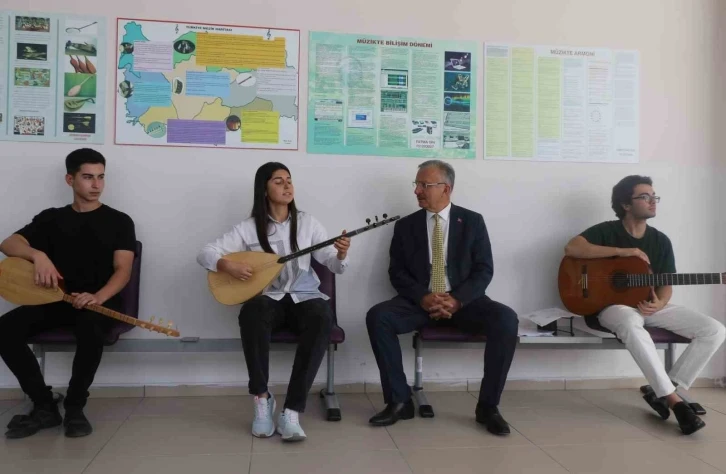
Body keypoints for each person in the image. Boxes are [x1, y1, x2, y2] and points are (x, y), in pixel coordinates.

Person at [197, 162, 351, 442]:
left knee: (322, 316)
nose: (287, 185)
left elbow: (331, 261)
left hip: (304, 296)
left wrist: (340, 255)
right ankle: (262, 399)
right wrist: (227, 266)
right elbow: (205, 253)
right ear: (264, 189)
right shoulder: (247, 229)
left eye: (289, 180)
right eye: (278, 181)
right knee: (252, 312)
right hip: (269, 298)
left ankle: (292, 411)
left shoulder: (308, 223)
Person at [366, 160, 518, 435]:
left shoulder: (472, 221)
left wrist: (457, 299)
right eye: (417, 184)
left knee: (506, 319)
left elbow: (484, 270)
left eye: (424, 185)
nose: (417, 191)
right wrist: (424, 297)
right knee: (379, 316)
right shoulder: (406, 226)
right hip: (420, 302)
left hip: (464, 303)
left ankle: (488, 407)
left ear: (446, 189)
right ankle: (400, 401)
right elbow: (397, 272)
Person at [564, 175, 725, 435]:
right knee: (629, 321)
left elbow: (666, 281)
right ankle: (675, 401)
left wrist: (660, 302)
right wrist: (625, 252)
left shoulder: (660, 240)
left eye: (654, 196)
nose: (653, 201)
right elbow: (572, 248)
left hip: (648, 305)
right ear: (626, 204)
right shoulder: (606, 231)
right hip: (610, 307)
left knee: (714, 330)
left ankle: (663, 389)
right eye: (645, 196)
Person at [0, 148, 136, 439]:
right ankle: (45, 404)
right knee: (4, 330)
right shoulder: (51, 218)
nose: (96, 185)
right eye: (88, 177)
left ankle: (75, 407)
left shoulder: (120, 221)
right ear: (69, 179)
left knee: (90, 330)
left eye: (101, 177)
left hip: (97, 303)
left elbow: (123, 270)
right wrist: (37, 255)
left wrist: (98, 297)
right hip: (55, 299)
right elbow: (8, 244)